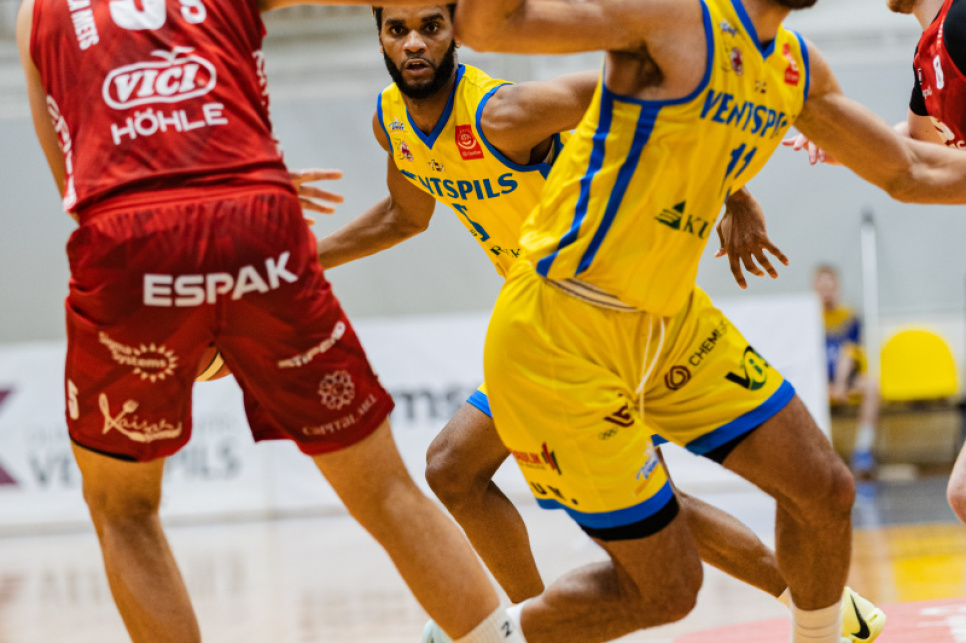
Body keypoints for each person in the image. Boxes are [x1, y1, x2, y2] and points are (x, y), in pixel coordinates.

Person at [317, 6, 885, 643]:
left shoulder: (505, 111)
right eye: (397, 30)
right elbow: (405, 215)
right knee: (457, 469)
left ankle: (523, 627)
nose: (415, 43)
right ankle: (532, 621)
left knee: (651, 513)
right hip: (547, 321)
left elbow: (667, 96)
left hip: (611, 308)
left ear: (455, 32)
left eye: (431, 26)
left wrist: (732, 190)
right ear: (380, 37)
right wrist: (308, 259)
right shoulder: (392, 121)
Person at [452, 0, 966, 640]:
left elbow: (912, 168)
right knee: (666, 590)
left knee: (823, 489)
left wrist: (736, 194)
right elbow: (488, 26)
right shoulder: (671, 17)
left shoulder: (797, 67)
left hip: (671, 318)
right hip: (564, 321)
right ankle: (493, 635)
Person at [16, 1, 526, 642]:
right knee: (388, 490)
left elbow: (73, 182)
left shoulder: (35, 13)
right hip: (255, 221)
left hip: (130, 238)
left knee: (123, 510)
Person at [789, 0, 966, 525]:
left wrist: (854, 141)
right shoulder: (928, 54)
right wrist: (850, 145)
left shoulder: (961, 21)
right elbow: (916, 147)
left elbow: (911, 169)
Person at [813, 265, 881, 477]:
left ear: (838, 288)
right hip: (816, 381)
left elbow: (849, 352)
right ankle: (815, 456)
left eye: (830, 287)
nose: (826, 293)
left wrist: (840, 385)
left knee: (872, 385)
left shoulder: (849, 317)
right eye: (822, 288)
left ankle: (863, 450)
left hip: (844, 380)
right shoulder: (808, 318)